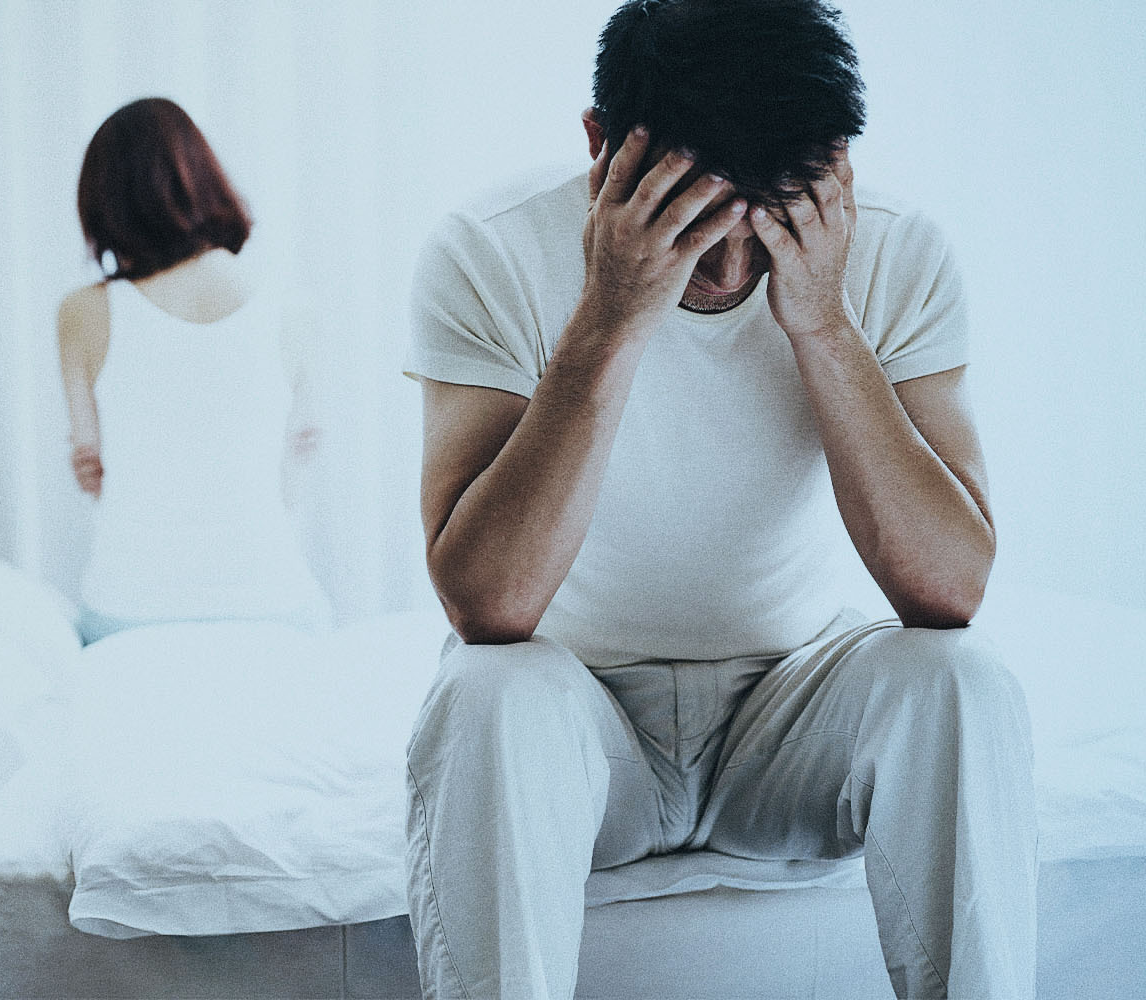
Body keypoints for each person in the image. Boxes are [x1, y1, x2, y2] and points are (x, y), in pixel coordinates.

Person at [402, 2, 1036, 998]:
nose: (732, 269)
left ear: (833, 171)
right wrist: (612, 318)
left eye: (773, 214)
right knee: (483, 689)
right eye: (694, 216)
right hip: (582, 718)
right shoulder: (489, 250)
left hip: (790, 715)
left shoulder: (898, 253)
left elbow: (950, 588)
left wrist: (824, 325)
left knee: (963, 679)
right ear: (602, 147)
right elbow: (487, 603)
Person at [58, 97, 328, 645]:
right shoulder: (293, 308)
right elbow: (293, 469)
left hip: (128, 612)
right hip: (271, 606)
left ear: (103, 207)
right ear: (205, 181)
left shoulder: (81, 313)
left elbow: (91, 465)